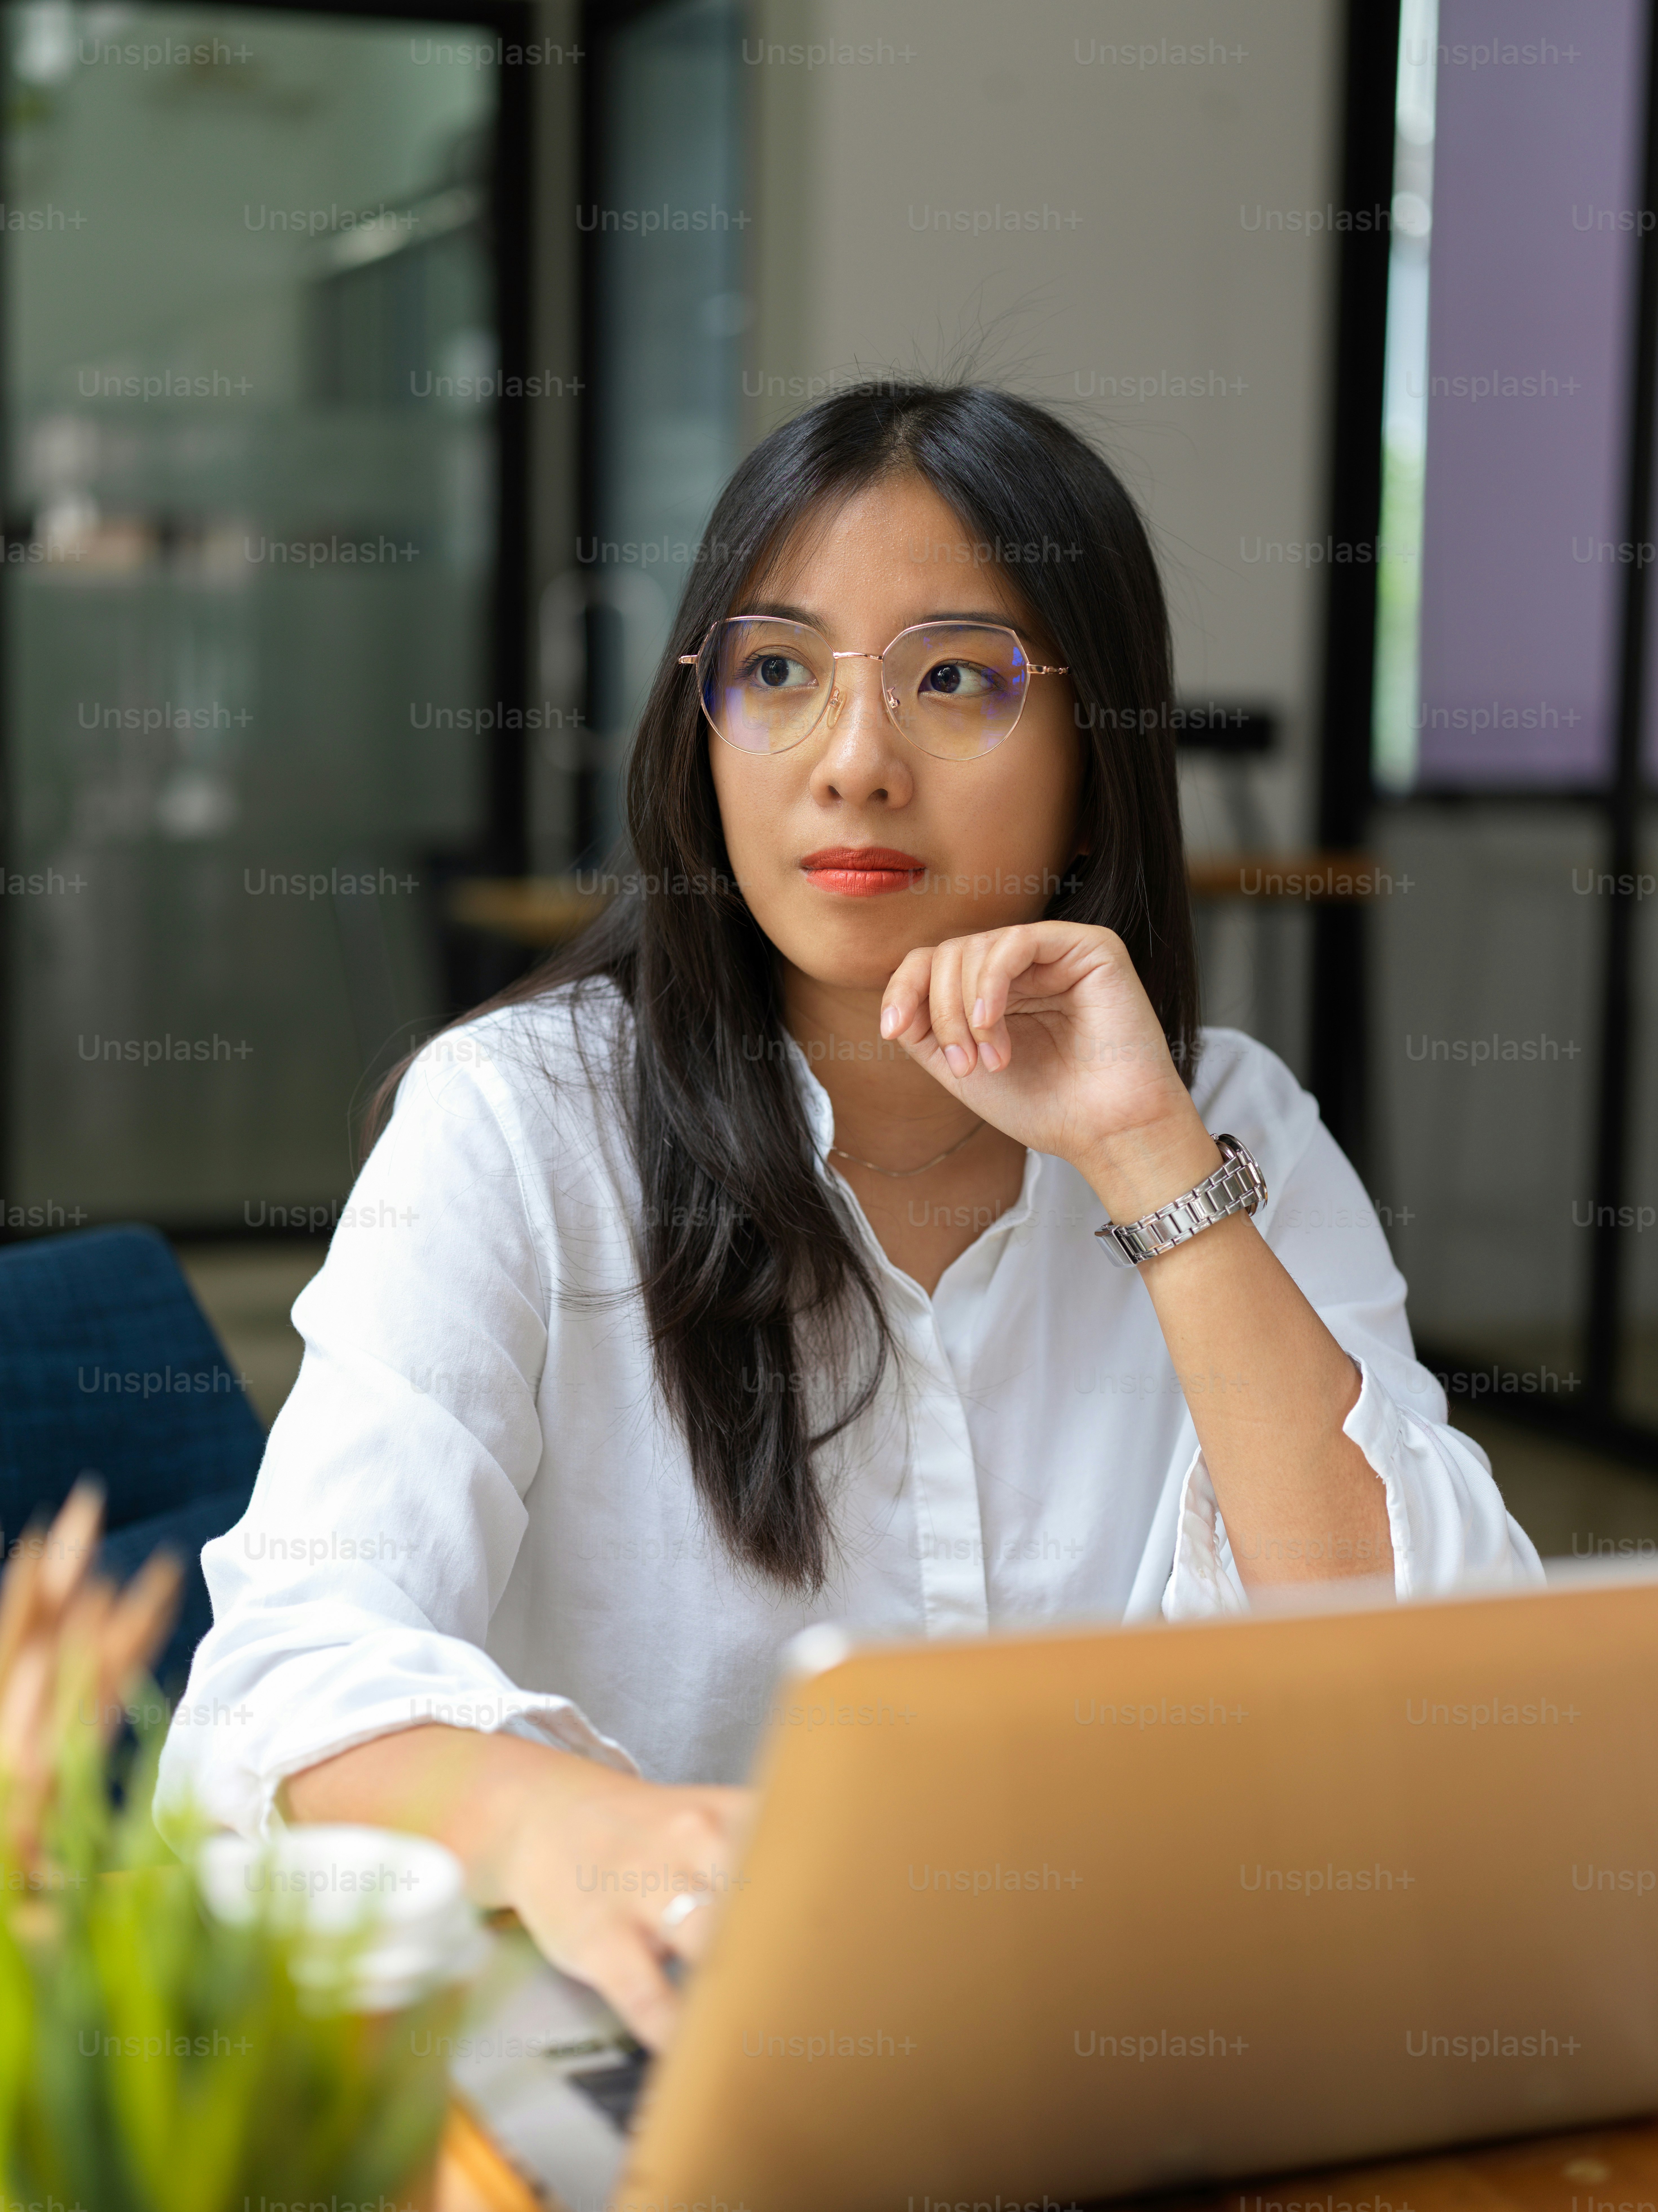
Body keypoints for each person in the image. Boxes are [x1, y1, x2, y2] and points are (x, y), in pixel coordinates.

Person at [157, 381, 1540, 2051]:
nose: (858, 763)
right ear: (702, 732)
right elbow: (286, 1679)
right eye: (780, 676)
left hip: (1143, 2048)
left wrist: (1147, 1164)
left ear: (1097, 766)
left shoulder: (1225, 1129)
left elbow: (1433, 1701)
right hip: (674, 2053)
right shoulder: (519, 1125)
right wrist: (575, 1831)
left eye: (957, 678)